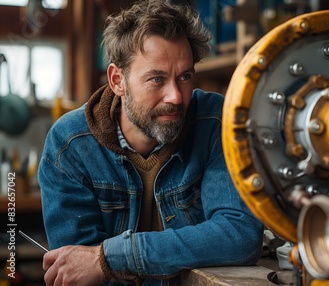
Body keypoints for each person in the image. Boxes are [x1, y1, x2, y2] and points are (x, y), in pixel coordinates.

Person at [38, 0, 263, 285]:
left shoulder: (214, 122)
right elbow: (77, 272)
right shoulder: (69, 146)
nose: (177, 97)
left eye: (184, 76)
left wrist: (111, 257)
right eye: (157, 79)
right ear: (117, 80)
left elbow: (239, 235)